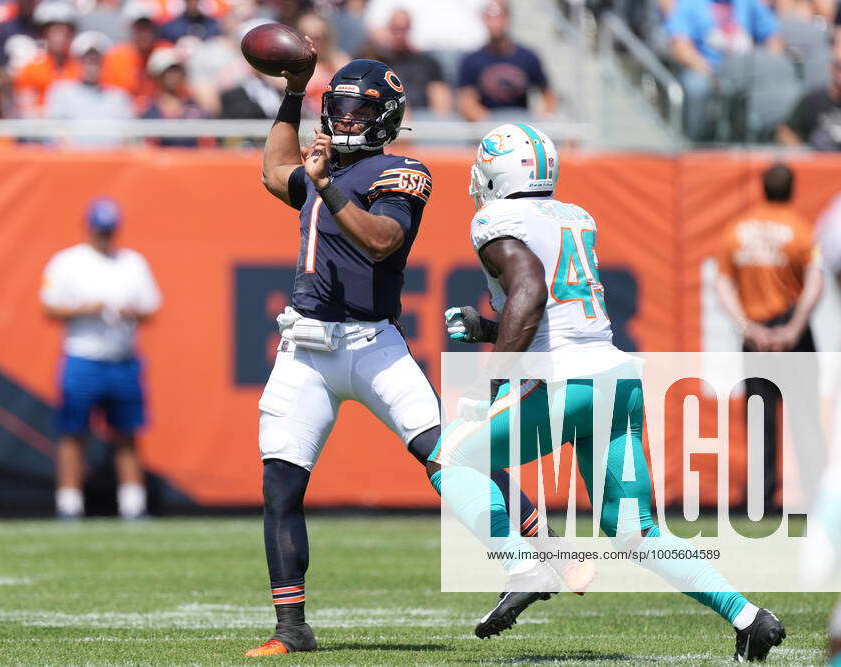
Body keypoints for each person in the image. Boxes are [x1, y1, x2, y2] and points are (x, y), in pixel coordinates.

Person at [246, 51, 591, 657]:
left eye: (359, 109)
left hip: (372, 343)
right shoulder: (319, 167)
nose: (346, 118)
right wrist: (293, 93)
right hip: (304, 346)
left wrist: (324, 181)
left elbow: (383, 242)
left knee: (450, 454)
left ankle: (545, 547)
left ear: (387, 117)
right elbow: (274, 171)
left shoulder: (401, 172)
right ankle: (291, 628)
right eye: (339, 106)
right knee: (280, 485)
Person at [442, 122, 786, 660]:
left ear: (498, 173)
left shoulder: (495, 218)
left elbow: (530, 292)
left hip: (566, 384)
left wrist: (492, 380)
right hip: (616, 381)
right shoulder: (575, 215)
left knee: (453, 456)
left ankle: (524, 566)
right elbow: (556, 308)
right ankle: (749, 618)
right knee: (634, 531)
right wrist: (489, 329)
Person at [40, 198, 161, 520]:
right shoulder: (67, 262)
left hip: (122, 359)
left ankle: (133, 506)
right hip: (82, 358)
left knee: (126, 433)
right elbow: (49, 306)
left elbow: (151, 307)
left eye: (109, 231)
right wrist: (86, 307)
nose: (105, 237)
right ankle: (68, 504)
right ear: (89, 229)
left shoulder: (131, 263)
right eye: (100, 230)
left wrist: (128, 311)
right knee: (73, 433)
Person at [715, 163, 823, 510]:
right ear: (792, 189)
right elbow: (814, 282)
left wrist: (747, 328)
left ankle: (760, 502)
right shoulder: (801, 230)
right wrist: (794, 328)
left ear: (762, 188)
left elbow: (723, 282)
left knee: (760, 419)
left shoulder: (738, 229)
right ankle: (817, 497)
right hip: (792, 333)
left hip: (756, 334)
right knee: (805, 417)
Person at [666, 0, 787, 141]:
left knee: (775, 80)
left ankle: (768, 140)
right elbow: (680, 46)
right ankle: (696, 145)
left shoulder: (748, 3)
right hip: (706, 69)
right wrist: (710, 73)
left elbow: (774, 36)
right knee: (696, 86)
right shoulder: (689, 4)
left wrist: (768, 63)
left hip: (745, 69)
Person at [457, 0, 556, 122]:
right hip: (487, 126)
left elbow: (548, 94)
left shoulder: (528, 57)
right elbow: (467, 101)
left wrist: (543, 119)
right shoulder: (471, 60)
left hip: (521, 123)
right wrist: (491, 124)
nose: (495, 23)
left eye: (499, 17)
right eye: (490, 18)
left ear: (508, 18)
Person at [44, 31, 134, 148]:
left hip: (113, 161)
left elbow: (129, 136)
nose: (92, 66)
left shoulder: (119, 97)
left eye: (97, 61)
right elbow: (55, 133)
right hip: (72, 161)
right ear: (78, 62)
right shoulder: (61, 92)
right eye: (88, 60)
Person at [373, 9, 451, 118]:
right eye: (395, 29)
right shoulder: (378, 63)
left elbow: (439, 94)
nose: (399, 34)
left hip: (425, 117)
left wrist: (440, 120)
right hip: (391, 115)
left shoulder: (428, 62)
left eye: (403, 29)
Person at [101, 1, 172, 113]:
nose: (145, 33)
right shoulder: (116, 58)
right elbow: (111, 97)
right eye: (140, 28)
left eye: (148, 27)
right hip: (125, 116)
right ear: (131, 29)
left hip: (158, 117)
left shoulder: (165, 51)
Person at [13, 1, 80, 117]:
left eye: (65, 32)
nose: (60, 37)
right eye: (55, 31)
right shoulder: (30, 69)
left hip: (75, 130)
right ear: (44, 33)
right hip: (41, 131)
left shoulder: (80, 68)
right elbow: (26, 109)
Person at [778, 43, 841, 150]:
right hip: (820, 163)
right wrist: (803, 155)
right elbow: (785, 131)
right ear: (830, 67)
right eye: (839, 66)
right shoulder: (813, 100)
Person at [141, 45, 207, 146]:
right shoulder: (147, 110)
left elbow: (206, 144)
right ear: (157, 75)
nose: (173, 76)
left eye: (176, 71)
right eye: (167, 71)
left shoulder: (194, 108)